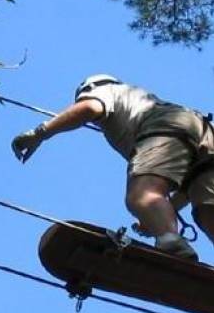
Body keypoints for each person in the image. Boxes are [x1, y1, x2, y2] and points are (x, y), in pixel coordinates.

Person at [11, 74, 214, 261]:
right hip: (203, 131)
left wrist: (40, 133)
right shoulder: (138, 98)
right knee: (208, 210)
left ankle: (173, 247)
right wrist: (153, 216)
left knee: (140, 195)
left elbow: (89, 108)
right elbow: (186, 192)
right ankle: (170, 238)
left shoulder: (104, 90)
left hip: (168, 125)